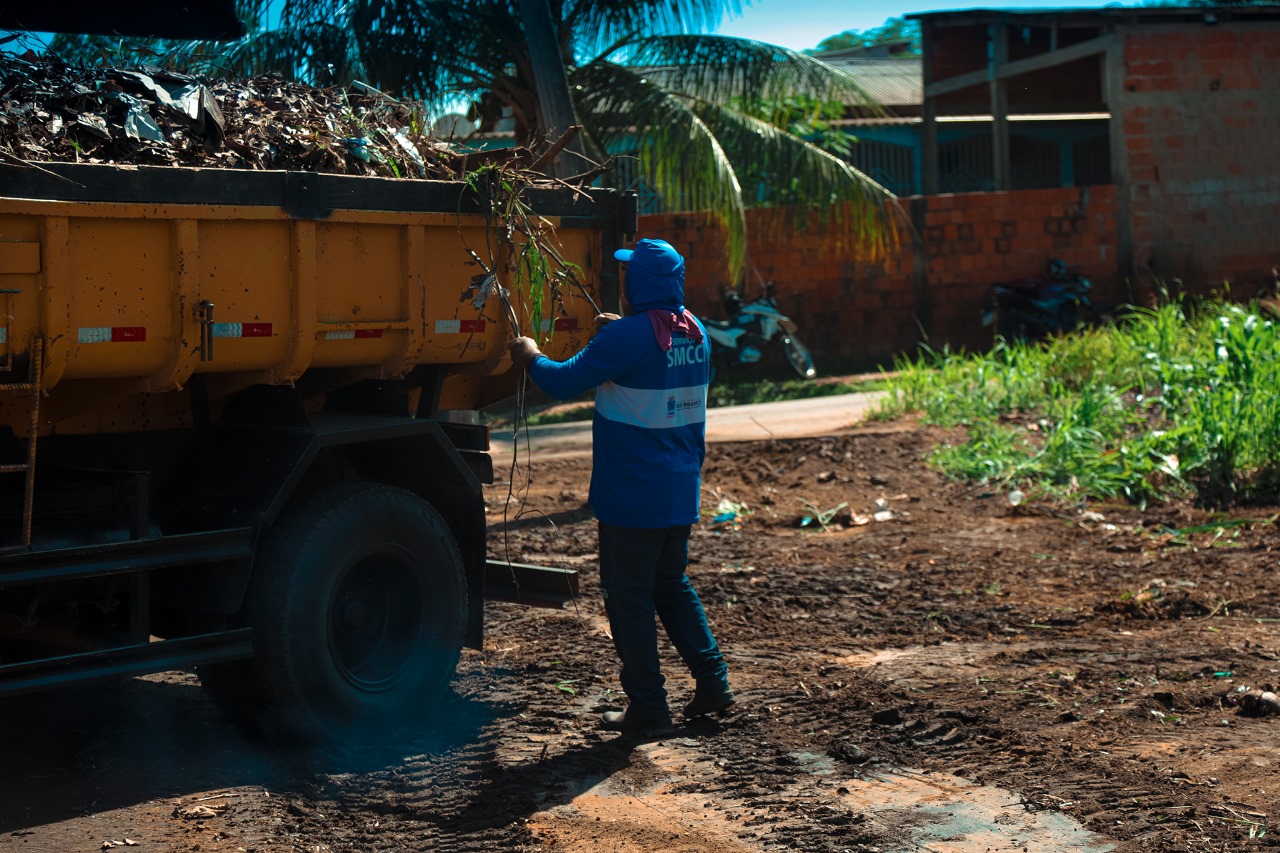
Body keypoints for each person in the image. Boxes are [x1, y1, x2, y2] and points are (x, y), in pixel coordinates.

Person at [507, 238, 734, 738]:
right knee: (670, 587)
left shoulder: (626, 339)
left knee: (628, 599)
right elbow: (652, 353)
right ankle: (713, 683)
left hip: (632, 497)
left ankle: (649, 709)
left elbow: (563, 381)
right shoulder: (696, 331)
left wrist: (530, 354)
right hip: (679, 490)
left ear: (637, 285)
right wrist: (621, 332)